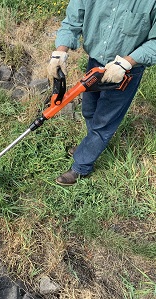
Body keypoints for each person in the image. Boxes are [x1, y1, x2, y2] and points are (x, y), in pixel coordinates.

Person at [47, 0, 156, 186]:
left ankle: (82, 166)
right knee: (89, 110)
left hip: (126, 70)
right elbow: (73, 21)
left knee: (104, 121)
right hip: (96, 62)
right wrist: (60, 52)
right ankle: (92, 145)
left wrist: (127, 62)